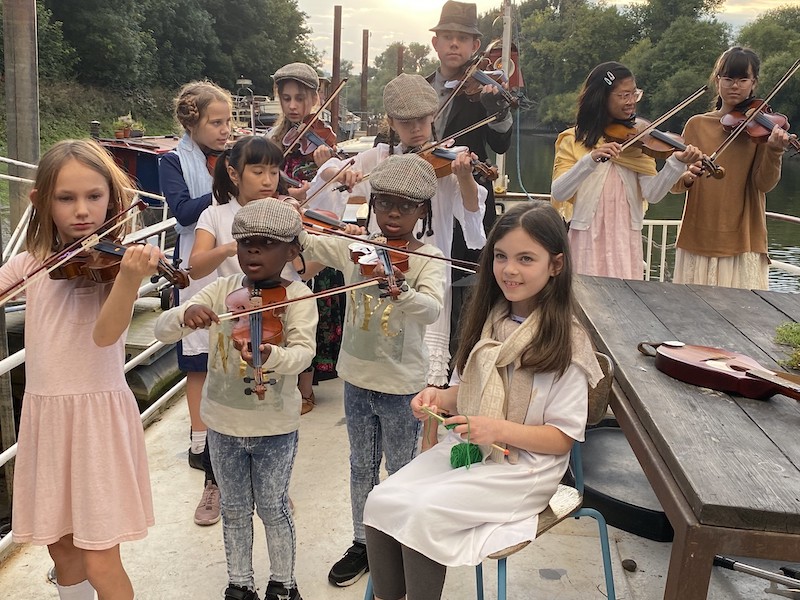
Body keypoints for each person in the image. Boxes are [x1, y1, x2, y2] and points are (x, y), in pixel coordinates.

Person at [361, 201, 605, 600]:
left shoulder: (569, 342)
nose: (510, 270)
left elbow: (562, 438)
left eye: (526, 258)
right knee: (382, 499)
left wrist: (495, 428)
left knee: (423, 512)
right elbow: (466, 393)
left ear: (555, 265)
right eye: (501, 256)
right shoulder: (488, 318)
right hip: (473, 450)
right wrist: (437, 397)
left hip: (526, 469)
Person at [3, 139, 160, 600]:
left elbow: (106, 335)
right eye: (65, 198)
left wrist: (130, 278)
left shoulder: (115, 266)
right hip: (47, 418)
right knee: (62, 550)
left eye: (94, 196)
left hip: (96, 423)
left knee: (99, 555)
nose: (81, 211)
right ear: (41, 202)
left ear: (114, 198)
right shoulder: (30, 264)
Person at [154, 199, 318, 600]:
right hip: (222, 425)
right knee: (233, 510)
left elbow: (303, 353)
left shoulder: (299, 296)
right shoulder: (223, 290)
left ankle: (283, 583)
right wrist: (186, 312)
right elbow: (162, 330)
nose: (253, 252)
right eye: (246, 244)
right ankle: (240, 584)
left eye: (266, 244)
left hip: (275, 428)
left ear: (292, 251)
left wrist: (272, 356)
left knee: (274, 509)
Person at [301, 154, 446, 587]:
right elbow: (309, 243)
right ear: (374, 205)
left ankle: (399, 539)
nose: (394, 214)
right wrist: (294, 214)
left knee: (402, 466)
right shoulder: (357, 249)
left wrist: (401, 292)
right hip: (357, 380)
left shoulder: (428, 258)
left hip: (402, 385)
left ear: (422, 210)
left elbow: (432, 308)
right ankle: (362, 541)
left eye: (405, 206)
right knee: (360, 465)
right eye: (385, 204)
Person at [314, 72, 486, 391]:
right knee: (384, 352)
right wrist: (342, 171)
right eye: (406, 122)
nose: (417, 129)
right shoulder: (380, 159)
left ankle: (425, 437)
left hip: (429, 268)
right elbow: (327, 173)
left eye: (422, 119)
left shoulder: (449, 160)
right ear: (391, 122)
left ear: (433, 115)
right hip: (383, 268)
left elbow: (473, 216)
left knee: (428, 363)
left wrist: (464, 178)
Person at [550, 61, 702, 279]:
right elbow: (559, 192)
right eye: (623, 96)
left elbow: (653, 194)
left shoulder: (638, 141)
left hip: (625, 240)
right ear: (602, 97)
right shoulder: (573, 140)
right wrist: (589, 160)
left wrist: (676, 164)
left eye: (634, 94)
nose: (631, 102)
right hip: (585, 238)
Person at [158, 80, 232, 525]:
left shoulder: (234, 157)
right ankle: (202, 443)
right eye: (217, 122)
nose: (226, 131)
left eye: (229, 122)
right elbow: (184, 212)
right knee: (199, 360)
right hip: (196, 268)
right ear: (192, 122)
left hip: (239, 264)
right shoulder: (172, 161)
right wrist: (228, 185)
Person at [671, 46, 792, 289]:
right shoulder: (697, 125)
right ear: (718, 82)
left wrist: (774, 149)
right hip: (698, 237)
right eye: (728, 78)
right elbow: (674, 184)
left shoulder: (761, 129)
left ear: (753, 83)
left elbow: (764, 184)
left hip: (742, 239)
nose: (734, 85)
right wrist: (687, 176)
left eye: (743, 79)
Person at [269, 61, 346, 413]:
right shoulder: (275, 140)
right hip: (282, 234)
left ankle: (306, 390)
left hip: (313, 234)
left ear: (315, 98)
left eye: (300, 98)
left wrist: (325, 164)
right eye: (286, 98)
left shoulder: (324, 139)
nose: (293, 106)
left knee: (311, 311)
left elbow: (333, 180)